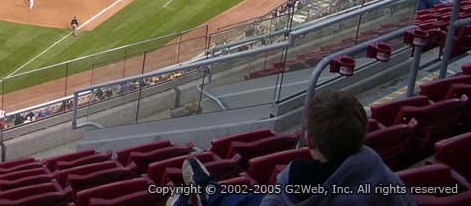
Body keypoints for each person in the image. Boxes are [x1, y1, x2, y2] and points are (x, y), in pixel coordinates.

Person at [170, 91, 414, 206]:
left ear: (310, 142)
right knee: (252, 198)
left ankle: (208, 194)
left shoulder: (294, 183)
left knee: (253, 200)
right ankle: (210, 193)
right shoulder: (388, 181)